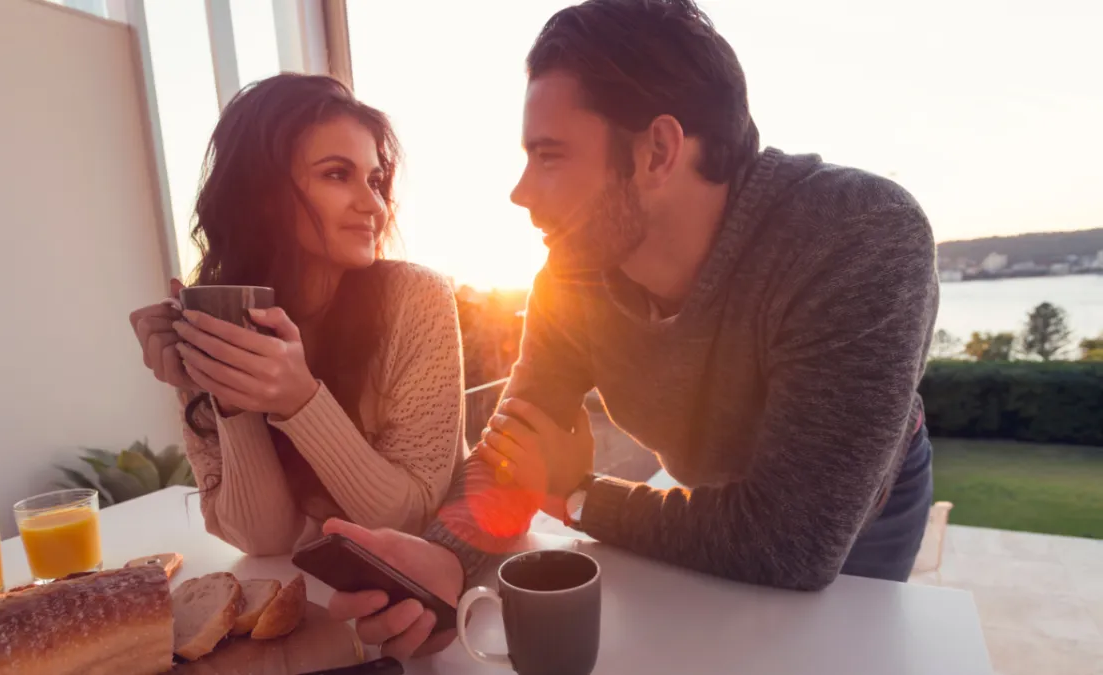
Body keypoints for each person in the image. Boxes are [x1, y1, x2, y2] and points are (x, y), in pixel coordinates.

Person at [322, 0, 940, 660]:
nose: (520, 191)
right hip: (712, 489)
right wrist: (445, 561)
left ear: (658, 151)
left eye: (549, 155)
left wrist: (577, 495)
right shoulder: (570, 277)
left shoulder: (860, 238)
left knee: (826, 657)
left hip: (859, 507)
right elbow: (515, 451)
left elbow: (793, 541)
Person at [128, 74, 467, 556]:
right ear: (262, 196)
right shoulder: (213, 319)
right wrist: (229, 391)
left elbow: (410, 520)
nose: (373, 205)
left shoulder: (417, 300)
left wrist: (299, 400)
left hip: (431, 599)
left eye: (374, 179)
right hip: (303, 598)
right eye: (336, 174)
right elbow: (262, 540)